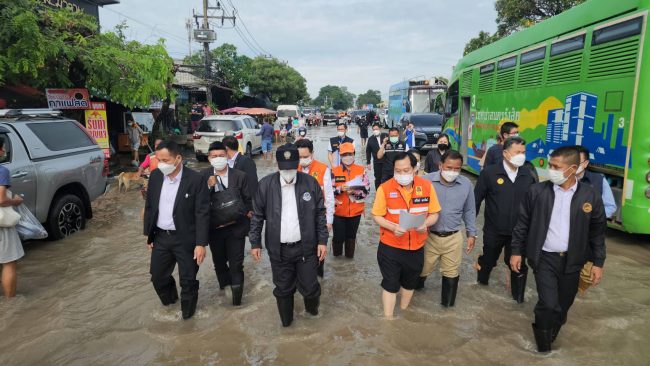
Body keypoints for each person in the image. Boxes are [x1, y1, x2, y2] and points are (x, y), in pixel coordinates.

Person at [510, 146, 606, 353]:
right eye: (550, 165)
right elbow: (522, 224)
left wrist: (598, 263)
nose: (551, 170)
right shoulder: (537, 192)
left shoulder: (590, 196)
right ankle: (543, 350)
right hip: (544, 258)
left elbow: (597, 233)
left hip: (573, 261)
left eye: (556, 166)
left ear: (573, 168)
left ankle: (550, 333)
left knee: (563, 307)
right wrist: (516, 251)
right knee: (548, 303)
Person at [249, 144, 329, 327]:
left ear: (298, 164)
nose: (289, 172)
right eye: (285, 168)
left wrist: (322, 241)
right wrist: (255, 242)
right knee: (283, 289)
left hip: (306, 248)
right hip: (279, 250)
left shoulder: (309, 183)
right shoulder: (266, 185)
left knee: (310, 288)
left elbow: (320, 213)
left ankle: (312, 319)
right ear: (277, 166)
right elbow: (257, 216)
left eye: (292, 168)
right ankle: (287, 325)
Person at [143, 140, 209, 319]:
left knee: (188, 280)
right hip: (161, 237)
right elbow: (150, 206)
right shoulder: (156, 176)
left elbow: (202, 213)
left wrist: (201, 243)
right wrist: (148, 235)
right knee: (157, 277)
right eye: (158, 159)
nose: (161, 164)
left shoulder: (195, 179)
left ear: (178, 158)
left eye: (165, 160)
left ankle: (188, 318)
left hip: (186, 239)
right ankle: (171, 303)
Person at [372, 152, 441, 318]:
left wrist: (426, 224)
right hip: (391, 246)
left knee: (410, 283)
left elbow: (435, 213)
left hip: (416, 246)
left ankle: (403, 313)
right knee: (390, 283)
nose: (402, 174)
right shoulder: (385, 188)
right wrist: (392, 227)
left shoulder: (426, 186)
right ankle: (388, 320)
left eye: (406, 170)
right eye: (398, 171)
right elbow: (376, 216)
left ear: (415, 168)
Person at [474, 136, 536, 303]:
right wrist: (471, 228)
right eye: (518, 152)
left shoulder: (528, 175)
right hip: (494, 230)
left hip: (519, 232)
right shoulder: (489, 173)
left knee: (518, 266)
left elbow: (534, 204)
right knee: (488, 260)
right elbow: (476, 199)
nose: (522, 155)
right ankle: (482, 282)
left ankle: (518, 301)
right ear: (506, 153)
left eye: (523, 152)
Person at [416, 150, 477, 307]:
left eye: (457, 169)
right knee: (421, 270)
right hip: (428, 236)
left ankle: (447, 310)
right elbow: (414, 206)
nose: (452, 172)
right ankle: (414, 300)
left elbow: (469, 210)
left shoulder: (466, 185)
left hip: (453, 237)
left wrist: (472, 234)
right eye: (449, 167)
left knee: (451, 273)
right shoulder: (425, 181)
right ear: (440, 165)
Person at [202, 141, 252, 306]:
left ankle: (236, 302)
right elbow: (199, 205)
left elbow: (248, 201)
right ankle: (225, 292)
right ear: (209, 158)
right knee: (219, 263)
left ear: (227, 156)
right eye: (214, 156)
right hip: (215, 231)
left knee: (236, 264)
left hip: (235, 229)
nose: (218, 159)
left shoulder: (239, 176)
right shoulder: (202, 176)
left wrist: (238, 213)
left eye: (221, 156)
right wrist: (208, 187)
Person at [573, 145, 616, 294]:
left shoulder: (598, 180)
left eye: (577, 161)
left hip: (588, 237)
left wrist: (593, 218)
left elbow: (610, 206)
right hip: (565, 237)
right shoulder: (562, 179)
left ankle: (576, 293)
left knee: (586, 277)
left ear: (585, 163)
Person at [296, 138, 334, 277]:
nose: (302, 160)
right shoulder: (292, 168)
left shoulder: (323, 169)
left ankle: (318, 275)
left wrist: (329, 220)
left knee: (319, 249)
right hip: (298, 218)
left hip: (318, 217)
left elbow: (329, 197)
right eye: (299, 157)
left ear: (312, 153)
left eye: (305, 157)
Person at [332, 142, 370, 259]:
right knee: (338, 237)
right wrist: (340, 189)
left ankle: (349, 260)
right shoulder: (334, 171)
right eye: (344, 154)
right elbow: (328, 192)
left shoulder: (362, 170)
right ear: (340, 156)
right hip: (338, 211)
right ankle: (337, 261)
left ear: (354, 154)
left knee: (351, 237)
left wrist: (354, 191)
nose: (347, 157)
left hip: (355, 211)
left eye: (350, 154)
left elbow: (367, 190)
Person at [0, 137, 25, 298]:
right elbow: (1, 200)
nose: (3, 151)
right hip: (2, 224)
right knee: (9, 262)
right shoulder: (2, 171)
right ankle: (11, 303)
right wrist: (15, 201)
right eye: (2, 148)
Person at [223, 136, 258, 200]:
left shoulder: (246, 161)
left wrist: (250, 207)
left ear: (226, 148)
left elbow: (252, 185)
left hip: (243, 203)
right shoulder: (225, 162)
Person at [366, 123, 388, 189]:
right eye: (373, 129)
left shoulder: (386, 136)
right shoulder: (370, 139)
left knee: (387, 177)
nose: (375, 130)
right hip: (377, 162)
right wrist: (368, 162)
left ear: (380, 129)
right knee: (378, 178)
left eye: (376, 129)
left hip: (387, 161)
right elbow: (368, 151)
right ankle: (378, 192)